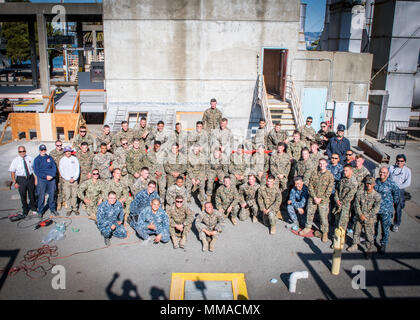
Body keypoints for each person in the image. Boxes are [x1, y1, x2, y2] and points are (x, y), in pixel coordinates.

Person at [299, 158, 335, 242]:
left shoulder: (330, 176)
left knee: (323, 217)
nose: (321, 165)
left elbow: (329, 190)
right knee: (310, 214)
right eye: (320, 163)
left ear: (326, 164)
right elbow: (310, 185)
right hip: (313, 198)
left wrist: (320, 198)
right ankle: (307, 227)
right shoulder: (314, 173)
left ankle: (324, 232)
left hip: (323, 200)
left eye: (323, 163)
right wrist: (314, 197)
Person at [347, 177, 381, 255]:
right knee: (356, 231)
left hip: (369, 219)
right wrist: (360, 214)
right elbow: (356, 204)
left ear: (374, 184)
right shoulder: (360, 193)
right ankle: (354, 244)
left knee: (369, 234)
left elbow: (376, 209)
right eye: (367, 183)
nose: (369, 185)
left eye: (371, 184)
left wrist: (366, 216)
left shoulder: (377, 196)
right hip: (359, 216)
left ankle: (369, 249)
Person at [374, 167, 400, 254]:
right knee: (374, 226)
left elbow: (397, 194)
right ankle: (372, 240)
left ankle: (383, 244)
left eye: (384, 173)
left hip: (386, 210)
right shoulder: (375, 181)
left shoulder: (391, 183)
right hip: (376, 209)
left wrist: (392, 203)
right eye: (381, 172)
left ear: (388, 174)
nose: (382, 174)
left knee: (385, 228)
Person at [9, 146, 37, 219]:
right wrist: (14, 182)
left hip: (30, 178)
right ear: (18, 152)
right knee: (23, 195)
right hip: (21, 179)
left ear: (25, 151)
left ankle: (33, 208)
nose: (22, 153)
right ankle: (25, 210)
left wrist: (36, 178)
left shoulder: (30, 158)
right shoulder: (15, 160)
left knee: (32, 194)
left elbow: (34, 169)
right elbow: (12, 171)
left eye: (23, 151)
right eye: (20, 152)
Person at [388, 154, 411, 232]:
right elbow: (386, 177)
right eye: (398, 161)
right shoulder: (391, 168)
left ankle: (396, 224)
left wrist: (397, 187)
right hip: (390, 190)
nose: (399, 162)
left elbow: (407, 183)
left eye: (401, 161)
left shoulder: (407, 171)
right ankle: (387, 220)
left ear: (404, 162)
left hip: (399, 190)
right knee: (387, 206)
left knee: (398, 208)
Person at [33, 144, 58, 217]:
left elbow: (54, 167)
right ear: (39, 150)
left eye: (44, 150)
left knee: (52, 194)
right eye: (42, 150)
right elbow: (36, 171)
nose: (43, 151)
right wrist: (45, 176)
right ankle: (40, 211)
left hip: (51, 179)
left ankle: (52, 209)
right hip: (42, 180)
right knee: (41, 195)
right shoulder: (37, 159)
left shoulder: (49, 158)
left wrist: (52, 175)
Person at [333, 165, 358, 230]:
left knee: (342, 224)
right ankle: (336, 237)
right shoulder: (343, 180)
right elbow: (337, 190)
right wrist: (337, 200)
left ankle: (341, 239)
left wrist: (341, 202)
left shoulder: (353, 182)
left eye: (346, 171)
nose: (344, 172)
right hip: (338, 203)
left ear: (351, 171)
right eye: (344, 170)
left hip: (345, 206)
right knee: (336, 221)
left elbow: (350, 196)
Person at [59, 146, 80, 216]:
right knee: (67, 195)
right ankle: (69, 209)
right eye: (66, 151)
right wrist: (68, 178)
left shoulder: (75, 159)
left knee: (74, 195)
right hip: (66, 180)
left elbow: (77, 169)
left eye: (69, 151)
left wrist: (74, 178)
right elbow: (61, 171)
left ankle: (75, 208)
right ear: (64, 152)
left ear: (70, 152)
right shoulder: (62, 160)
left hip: (74, 180)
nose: (68, 153)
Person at [49, 140, 65, 210]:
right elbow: (49, 165)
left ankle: (64, 201)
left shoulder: (65, 152)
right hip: (56, 174)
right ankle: (59, 202)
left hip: (64, 173)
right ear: (55, 145)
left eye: (60, 145)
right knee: (58, 188)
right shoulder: (52, 153)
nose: (59, 147)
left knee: (64, 187)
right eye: (58, 145)